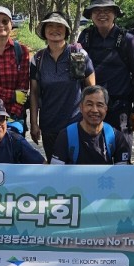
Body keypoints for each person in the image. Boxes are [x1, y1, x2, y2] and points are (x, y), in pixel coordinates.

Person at [29, 12, 95, 161]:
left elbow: (92, 90)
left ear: (66, 30)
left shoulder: (77, 54)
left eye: (59, 26)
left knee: (77, 167)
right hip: (49, 125)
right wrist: (34, 124)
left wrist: (91, 121)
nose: (55, 29)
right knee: (55, 168)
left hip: (76, 125)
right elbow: (34, 93)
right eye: (50, 26)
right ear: (44, 30)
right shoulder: (38, 59)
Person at [77, 0, 134, 135]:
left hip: (120, 109)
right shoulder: (85, 37)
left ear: (115, 14)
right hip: (92, 109)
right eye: (97, 11)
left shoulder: (128, 41)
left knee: (121, 148)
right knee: (92, 147)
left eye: (107, 11)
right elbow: (79, 73)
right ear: (91, 15)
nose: (102, 14)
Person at [49, 85, 132, 165]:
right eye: (89, 104)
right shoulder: (66, 136)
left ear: (106, 109)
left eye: (99, 105)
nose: (94, 110)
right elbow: (56, 171)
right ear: (81, 108)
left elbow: (122, 171)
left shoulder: (116, 137)